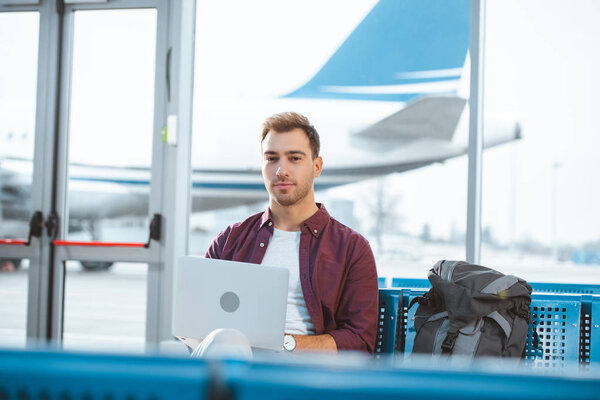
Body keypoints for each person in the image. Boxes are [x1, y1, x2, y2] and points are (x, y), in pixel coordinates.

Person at [204, 112, 378, 354]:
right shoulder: (229, 240)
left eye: (294, 158)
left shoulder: (352, 248)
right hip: (232, 368)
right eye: (271, 158)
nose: (281, 170)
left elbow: (359, 341)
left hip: (302, 376)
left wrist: (284, 344)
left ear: (316, 167)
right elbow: (198, 320)